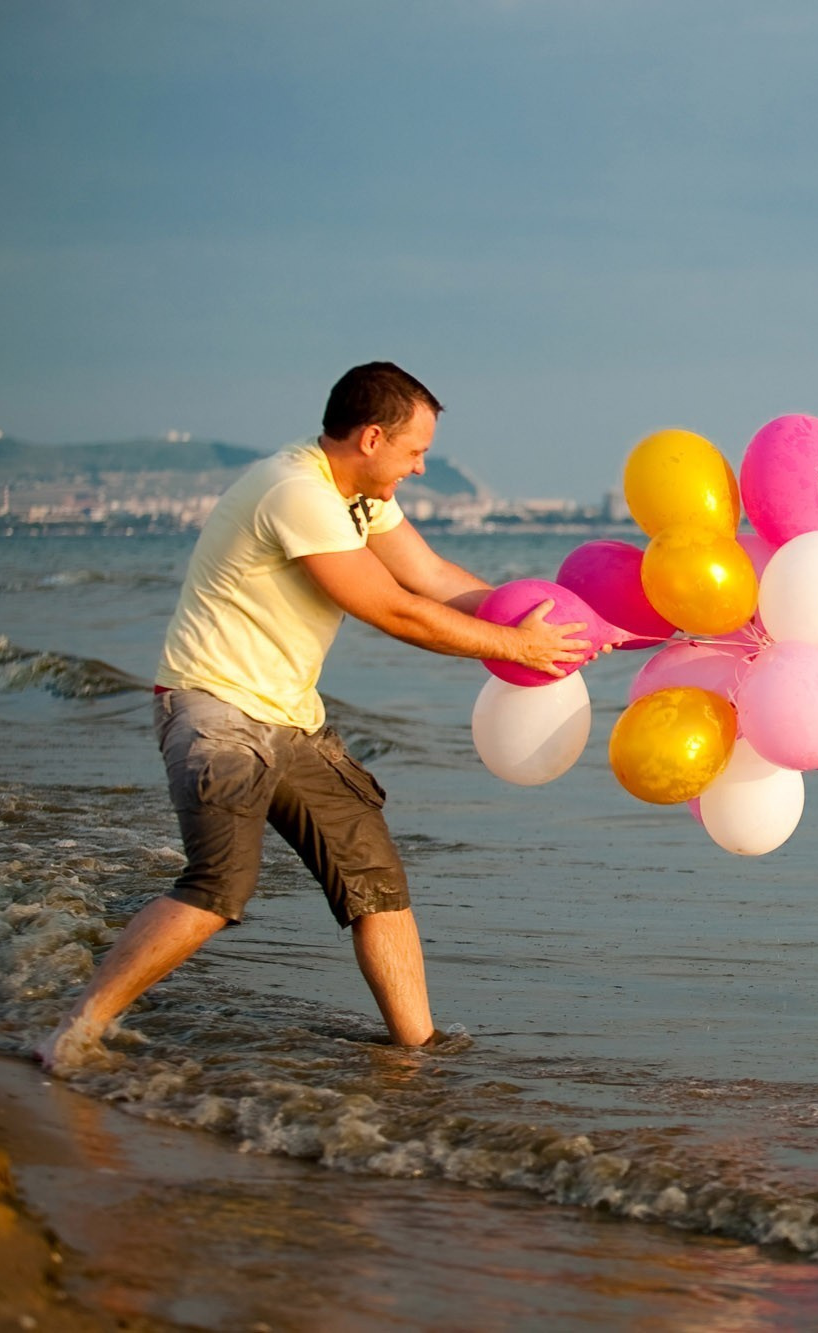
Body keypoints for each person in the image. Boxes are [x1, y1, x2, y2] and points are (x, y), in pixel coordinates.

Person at [36, 362, 592, 1070]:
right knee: (218, 886)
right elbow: (390, 607)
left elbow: (433, 579)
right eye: (415, 451)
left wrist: (553, 627)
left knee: (377, 882)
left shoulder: (360, 494)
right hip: (216, 712)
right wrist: (515, 646)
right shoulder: (295, 491)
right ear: (370, 438)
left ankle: (417, 1058)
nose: (421, 467)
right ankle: (74, 1031)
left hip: (291, 718)